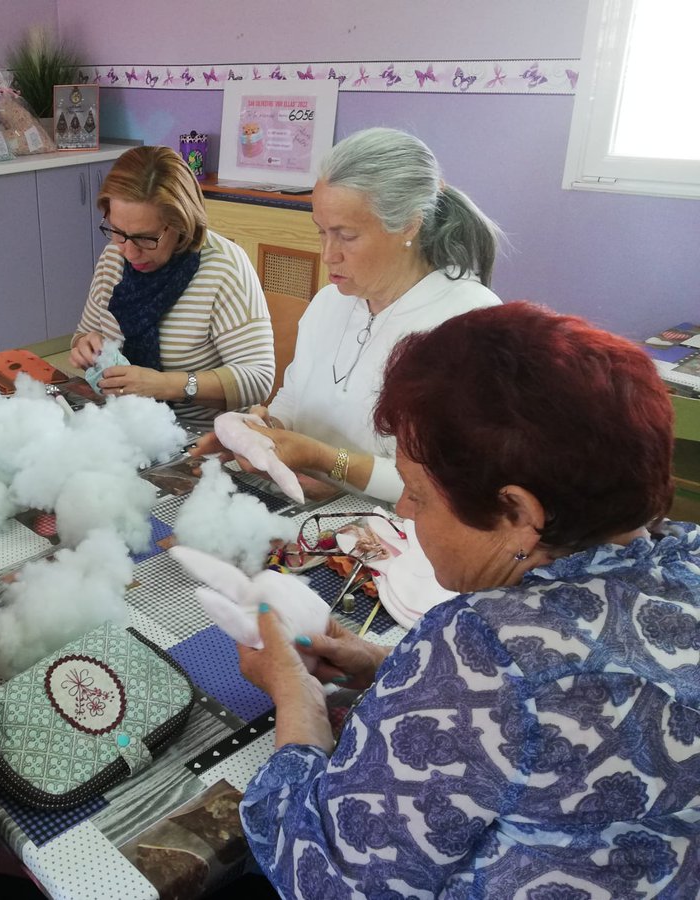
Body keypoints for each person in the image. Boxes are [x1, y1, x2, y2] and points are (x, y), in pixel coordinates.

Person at [237, 302, 700, 897]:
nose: (404, 510)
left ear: (518, 513)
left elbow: (324, 877)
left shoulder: (488, 650)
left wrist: (294, 698)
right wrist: (394, 670)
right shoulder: (685, 560)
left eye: (418, 493)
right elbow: (558, 719)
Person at [194, 127, 501, 501]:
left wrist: (323, 459)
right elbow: (294, 400)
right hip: (307, 509)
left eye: (347, 236)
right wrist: (262, 429)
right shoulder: (329, 303)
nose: (328, 255)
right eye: (321, 232)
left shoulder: (467, 324)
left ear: (409, 224)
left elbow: (443, 487)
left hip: (398, 528)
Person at [69, 145, 274, 428]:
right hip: (124, 424)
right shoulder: (113, 259)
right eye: (117, 232)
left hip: (204, 437)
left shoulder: (224, 268)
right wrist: (85, 346)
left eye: (146, 238)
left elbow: (258, 379)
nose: (130, 252)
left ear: (182, 223)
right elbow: (85, 333)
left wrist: (164, 385)